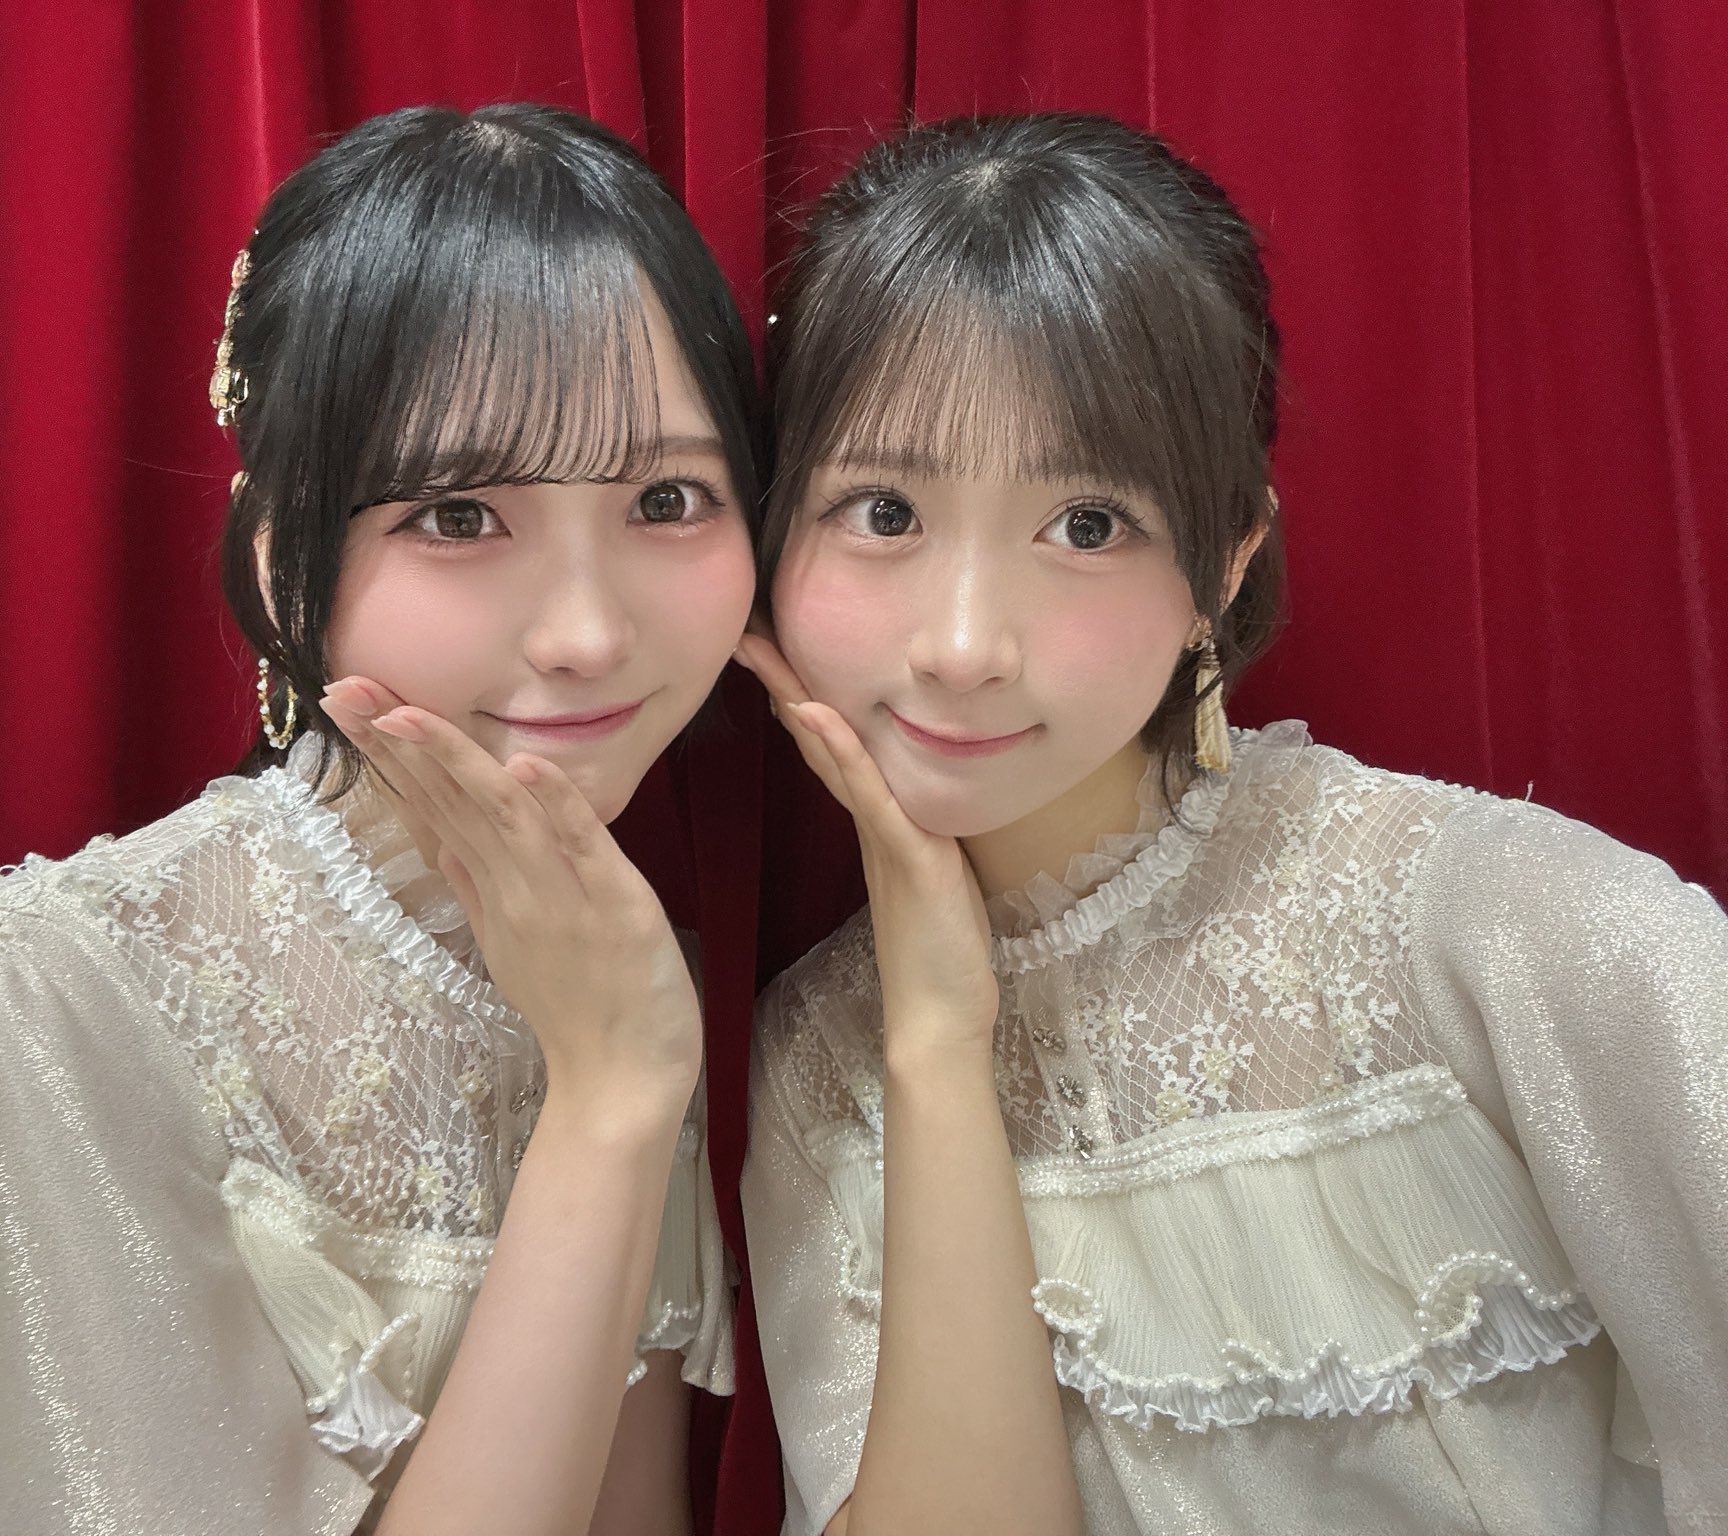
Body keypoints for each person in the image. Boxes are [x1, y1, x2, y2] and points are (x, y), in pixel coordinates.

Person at [0, 102, 759, 1536]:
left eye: (668, 497)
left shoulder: (617, 959)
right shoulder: (53, 1005)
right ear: (285, 562)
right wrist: (610, 1101)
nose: (589, 633)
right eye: (458, 515)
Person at [736, 112, 1727, 1536]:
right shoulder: (817, 1064)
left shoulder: (1503, 928)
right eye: (882, 510)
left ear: (1225, 560)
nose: (962, 647)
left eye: (1088, 525)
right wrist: (938, 1049)